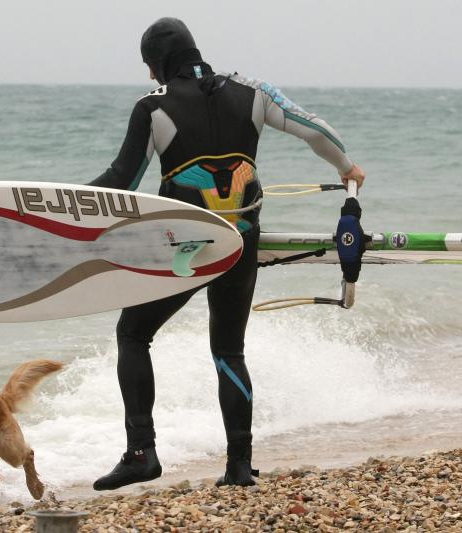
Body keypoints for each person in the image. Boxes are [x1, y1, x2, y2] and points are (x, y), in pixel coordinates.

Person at [88, 17, 366, 491]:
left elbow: (124, 182)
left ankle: (142, 453)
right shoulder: (252, 91)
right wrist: (347, 167)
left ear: (158, 62)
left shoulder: (151, 107)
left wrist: (61, 203)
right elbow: (315, 129)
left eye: (149, 67)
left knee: (133, 334)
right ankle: (239, 465)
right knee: (229, 350)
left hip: (185, 247)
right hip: (240, 240)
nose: (150, 77)